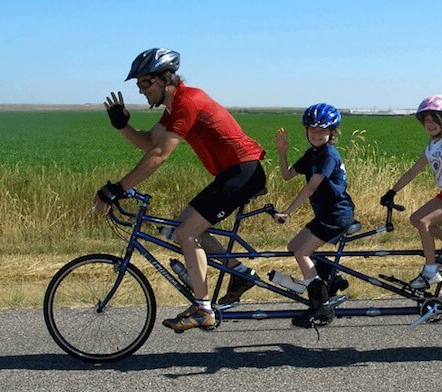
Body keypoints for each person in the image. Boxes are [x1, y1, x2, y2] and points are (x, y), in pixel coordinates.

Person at [95, 48, 267, 332]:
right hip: (232, 173)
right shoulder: (174, 108)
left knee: (186, 232)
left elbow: (161, 154)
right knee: (183, 226)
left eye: (145, 83)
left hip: (243, 172)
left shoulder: (189, 100)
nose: (141, 91)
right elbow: (150, 142)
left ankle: (202, 309)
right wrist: (122, 126)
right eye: (138, 85)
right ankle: (239, 274)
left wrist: (117, 188)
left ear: (165, 79)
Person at [380, 92, 442, 290]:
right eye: (426, 121)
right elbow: (412, 172)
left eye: (435, 120)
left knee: (424, 222)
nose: (430, 124)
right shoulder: (431, 147)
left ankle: (431, 271)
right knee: (415, 219)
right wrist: (392, 191)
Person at [273, 103, 355, 328]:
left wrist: (287, 212)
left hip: (337, 214)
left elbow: (310, 187)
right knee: (294, 246)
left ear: (332, 132)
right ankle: (332, 277)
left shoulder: (328, 155)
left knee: (301, 253)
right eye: (312, 130)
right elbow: (288, 175)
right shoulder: (313, 153)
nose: (316, 134)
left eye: (322, 130)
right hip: (326, 214)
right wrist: (282, 152)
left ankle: (321, 308)